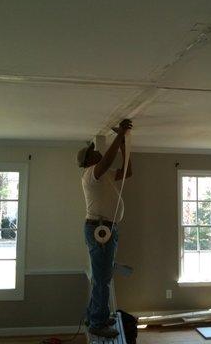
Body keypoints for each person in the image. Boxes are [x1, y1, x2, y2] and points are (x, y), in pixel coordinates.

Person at [77, 119, 133, 338]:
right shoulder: (91, 174)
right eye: (94, 151)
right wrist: (120, 134)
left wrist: (123, 145)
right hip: (100, 231)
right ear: (88, 160)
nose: (98, 151)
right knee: (102, 278)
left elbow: (128, 170)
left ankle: (94, 315)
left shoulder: (104, 176)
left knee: (101, 275)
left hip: (106, 230)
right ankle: (98, 324)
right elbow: (107, 161)